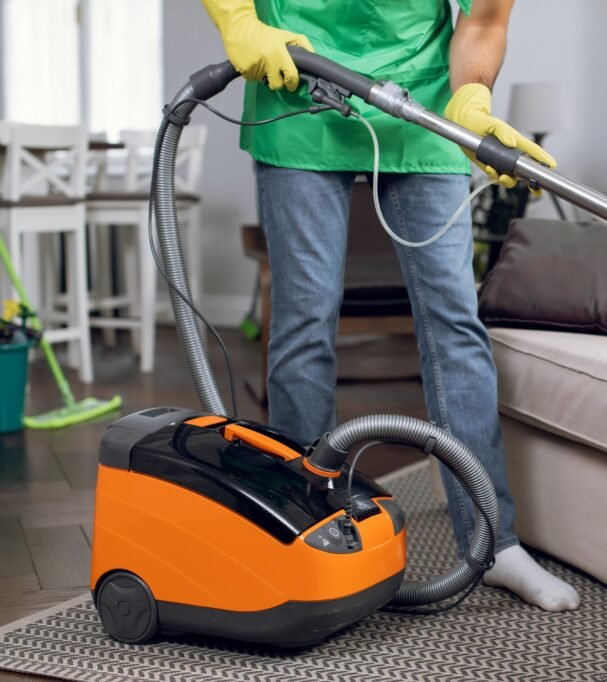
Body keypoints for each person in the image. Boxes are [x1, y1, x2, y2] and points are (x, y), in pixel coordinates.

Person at [200, 0, 579, 612]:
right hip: (296, 88)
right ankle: (307, 535)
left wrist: (472, 96)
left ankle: (493, 541)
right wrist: (237, 19)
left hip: (420, 102)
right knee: (304, 322)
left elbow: (483, 18)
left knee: (456, 325)